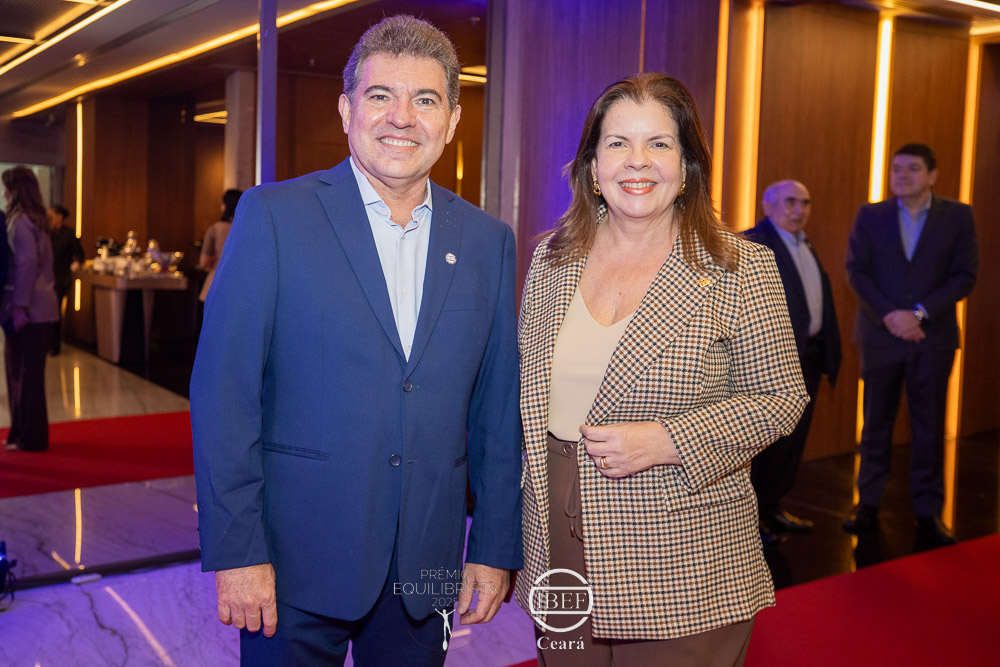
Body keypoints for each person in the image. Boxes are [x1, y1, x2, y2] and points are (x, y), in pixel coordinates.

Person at [190, 15, 522, 667]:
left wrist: (493, 546)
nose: (402, 117)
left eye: (425, 99)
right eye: (380, 95)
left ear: (452, 119)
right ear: (346, 110)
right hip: (290, 565)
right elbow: (224, 395)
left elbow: (496, 411)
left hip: (425, 569)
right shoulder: (273, 216)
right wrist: (237, 552)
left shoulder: (489, 242)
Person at [516, 73, 807, 666]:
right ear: (592, 167)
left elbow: (781, 398)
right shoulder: (550, 259)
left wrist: (670, 439)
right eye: (617, 143)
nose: (637, 160)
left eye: (659, 143)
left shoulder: (740, 267)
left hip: (680, 554)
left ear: (687, 167)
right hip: (555, 542)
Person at [844, 143, 978, 546]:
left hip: (932, 338)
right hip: (881, 336)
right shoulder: (871, 215)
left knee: (929, 427)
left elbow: (965, 275)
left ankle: (928, 512)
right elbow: (856, 271)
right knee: (875, 424)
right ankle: (867, 504)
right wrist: (891, 316)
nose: (902, 175)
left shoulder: (958, 216)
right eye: (896, 168)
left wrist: (918, 314)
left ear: (932, 175)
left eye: (912, 168)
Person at [743, 180, 841, 543]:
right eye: (790, 202)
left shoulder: (805, 243)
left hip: (808, 357)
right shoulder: (752, 243)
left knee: (792, 443)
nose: (798, 210)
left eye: (805, 202)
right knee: (765, 445)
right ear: (767, 205)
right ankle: (749, 522)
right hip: (772, 361)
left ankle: (771, 508)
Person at [1, 167, 60, 452]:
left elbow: (26, 266)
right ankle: (24, 434)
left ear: (16, 191)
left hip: (29, 309)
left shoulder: (21, 221)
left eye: (6, 188)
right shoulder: (37, 220)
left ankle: (29, 438)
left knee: (23, 375)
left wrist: (18, 306)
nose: (3, 194)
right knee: (28, 375)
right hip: (42, 308)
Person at [48, 204, 84, 355]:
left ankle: (55, 345)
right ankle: (47, 342)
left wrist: (75, 264)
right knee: (47, 311)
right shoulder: (48, 232)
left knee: (56, 310)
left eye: (52, 216)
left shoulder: (69, 234)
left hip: (62, 277)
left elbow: (80, 254)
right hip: (48, 278)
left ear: (59, 217)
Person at [197, 189, 241, 303]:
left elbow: (204, 262)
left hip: (217, 282)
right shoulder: (247, 229)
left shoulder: (215, 229)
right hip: (240, 286)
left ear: (226, 206)